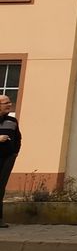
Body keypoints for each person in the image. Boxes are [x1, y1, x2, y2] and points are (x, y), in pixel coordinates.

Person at [0, 94, 20, 228]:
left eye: (9, 102)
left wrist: (15, 153)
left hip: (7, 159)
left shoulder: (12, 121)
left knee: (0, 188)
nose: (9, 104)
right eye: (6, 103)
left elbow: (18, 138)